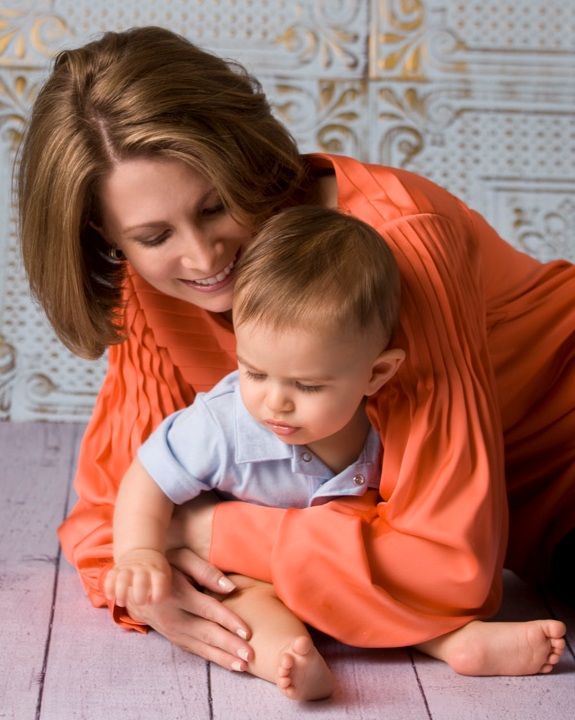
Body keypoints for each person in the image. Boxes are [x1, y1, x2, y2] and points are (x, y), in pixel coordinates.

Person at [17, 25, 575, 678]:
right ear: (104, 234)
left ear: (247, 159)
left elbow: (450, 569)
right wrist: (155, 592)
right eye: (153, 234)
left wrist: (198, 532)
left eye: (216, 205)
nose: (202, 259)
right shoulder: (150, 286)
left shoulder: (392, 254)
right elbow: (107, 517)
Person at [104, 206, 565, 698]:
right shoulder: (222, 422)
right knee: (246, 604)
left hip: (331, 569)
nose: (273, 401)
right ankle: (285, 658)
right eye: (255, 371)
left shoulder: (385, 425)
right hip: (248, 572)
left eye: (307, 385)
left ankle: (455, 641)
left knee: (379, 583)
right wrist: (138, 552)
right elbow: (148, 476)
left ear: (376, 375)